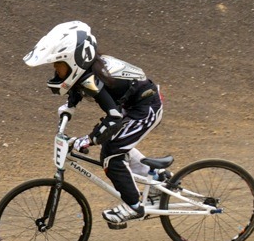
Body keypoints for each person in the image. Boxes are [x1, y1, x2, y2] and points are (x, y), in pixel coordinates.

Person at [23, 21, 163, 226]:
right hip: (131, 105)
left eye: (59, 65)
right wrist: (69, 107)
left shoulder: (93, 79)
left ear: (75, 61)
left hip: (145, 108)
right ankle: (157, 178)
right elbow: (77, 88)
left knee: (112, 154)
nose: (56, 70)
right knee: (113, 145)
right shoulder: (87, 71)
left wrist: (89, 139)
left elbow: (113, 118)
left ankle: (134, 206)